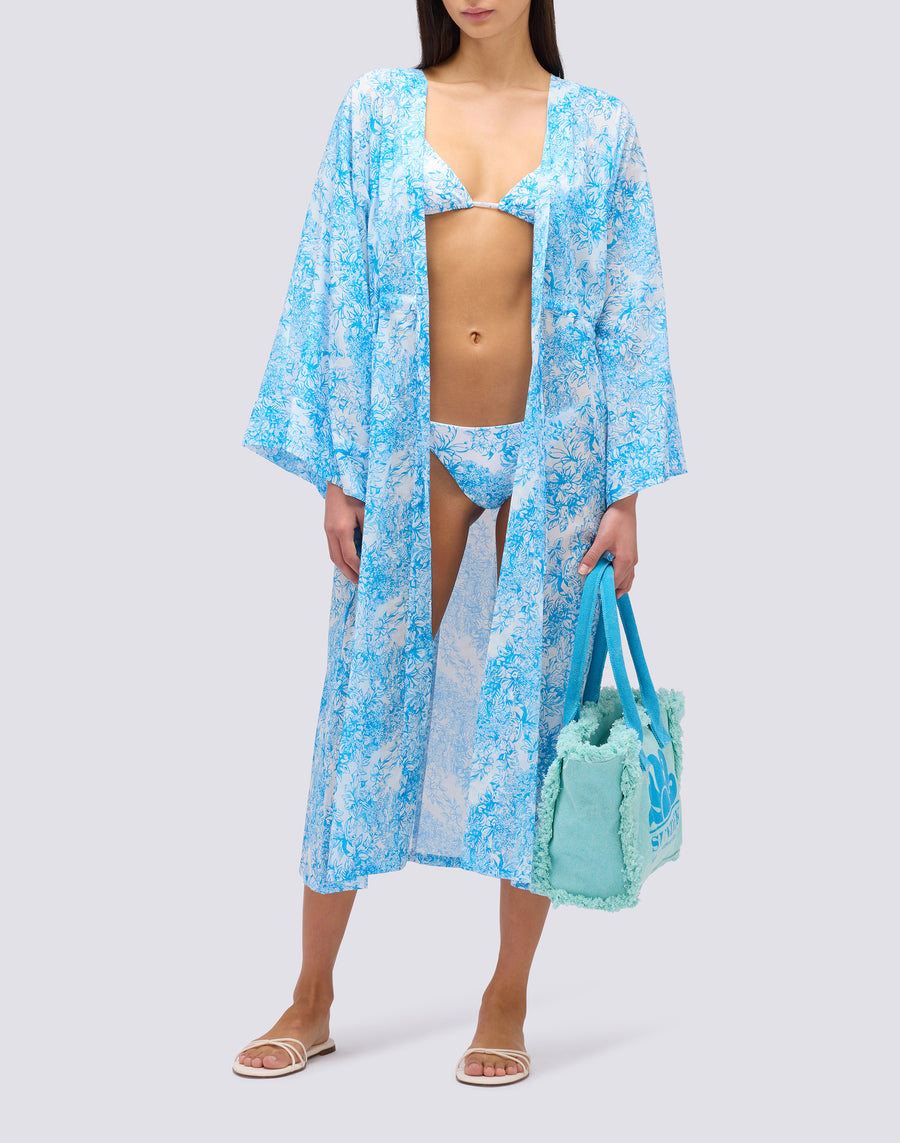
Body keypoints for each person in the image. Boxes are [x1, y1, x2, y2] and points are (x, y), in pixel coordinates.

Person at [234, 0, 687, 1086]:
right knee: (364, 704)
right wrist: (339, 471)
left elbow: (630, 312)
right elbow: (335, 285)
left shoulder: (602, 126)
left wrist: (627, 494)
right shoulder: (376, 109)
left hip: (556, 451)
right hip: (409, 446)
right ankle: (311, 994)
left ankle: (506, 997)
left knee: (534, 713)